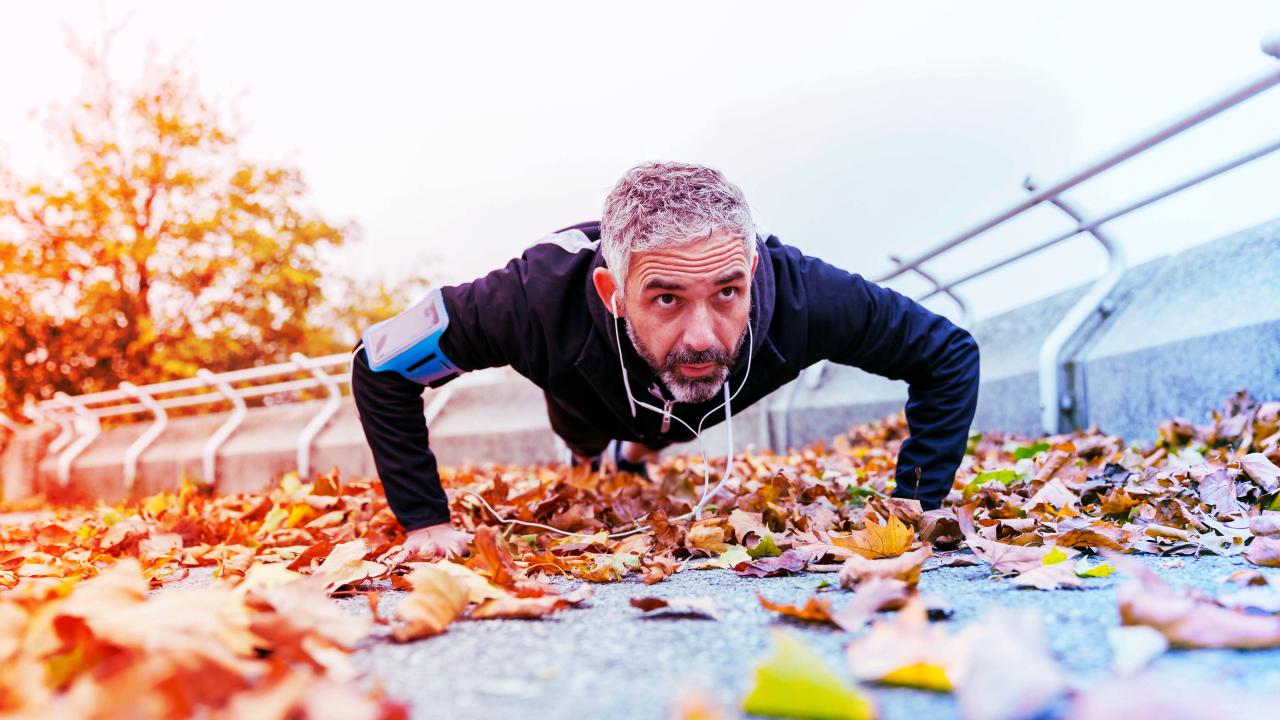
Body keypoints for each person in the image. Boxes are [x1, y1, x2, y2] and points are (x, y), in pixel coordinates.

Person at [351, 162, 980, 559]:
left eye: (727, 292)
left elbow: (948, 353)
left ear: (752, 270)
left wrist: (915, 503)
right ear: (614, 294)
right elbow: (378, 365)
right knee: (587, 430)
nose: (702, 335)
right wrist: (425, 519)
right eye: (667, 298)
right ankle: (596, 454)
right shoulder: (527, 300)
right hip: (585, 391)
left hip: (693, 404)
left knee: (671, 416)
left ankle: (640, 451)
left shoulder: (805, 296)